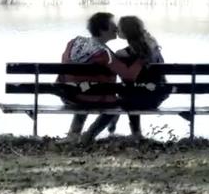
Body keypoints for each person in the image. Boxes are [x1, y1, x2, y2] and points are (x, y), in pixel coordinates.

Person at [58, 12, 144, 140]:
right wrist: (141, 58)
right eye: (112, 24)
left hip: (68, 96)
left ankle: (74, 133)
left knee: (83, 89)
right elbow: (129, 76)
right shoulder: (105, 54)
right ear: (103, 29)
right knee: (117, 105)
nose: (116, 28)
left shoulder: (73, 43)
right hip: (92, 98)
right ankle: (89, 135)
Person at [103, 15, 171, 140]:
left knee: (129, 91)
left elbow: (125, 77)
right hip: (157, 96)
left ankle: (134, 132)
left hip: (135, 99)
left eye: (120, 28)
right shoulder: (153, 46)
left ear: (126, 32)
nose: (117, 29)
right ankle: (135, 132)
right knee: (134, 90)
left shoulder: (122, 53)